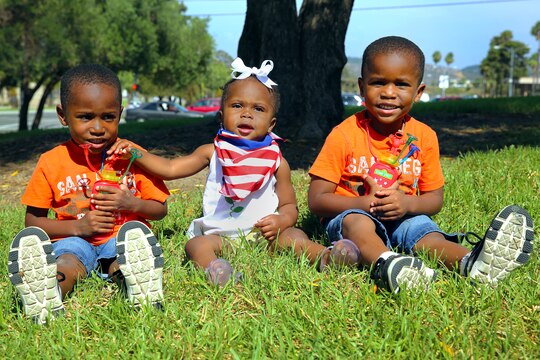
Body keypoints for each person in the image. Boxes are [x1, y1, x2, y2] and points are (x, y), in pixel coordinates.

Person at [307, 36, 534, 293]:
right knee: (358, 223)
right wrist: (362, 204)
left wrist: (407, 204)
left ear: (419, 92)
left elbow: (434, 199)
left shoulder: (424, 136)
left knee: (425, 231)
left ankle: (471, 263)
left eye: (401, 84)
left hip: (404, 216)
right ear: (361, 87)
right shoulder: (345, 134)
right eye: (378, 82)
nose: (389, 93)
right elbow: (316, 200)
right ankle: (387, 263)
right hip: (352, 218)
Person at [109, 58, 359, 286]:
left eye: (258, 109)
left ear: (272, 122)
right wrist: (136, 151)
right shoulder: (213, 152)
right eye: (237, 105)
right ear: (221, 116)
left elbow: (290, 207)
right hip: (222, 240)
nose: (247, 113)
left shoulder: (276, 162)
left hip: (264, 239)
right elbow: (171, 168)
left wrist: (281, 221)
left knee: (294, 236)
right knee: (196, 244)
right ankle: (216, 268)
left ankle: (326, 256)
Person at [7, 64, 170, 324]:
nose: (98, 127)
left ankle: (137, 286)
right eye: (85, 117)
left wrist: (132, 202)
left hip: (121, 239)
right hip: (73, 239)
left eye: (108, 117)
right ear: (63, 115)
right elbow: (33, 223)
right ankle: (49, 293)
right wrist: (80, 226)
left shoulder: (131, 155)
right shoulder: (51, 162)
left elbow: (160, 210)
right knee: (68, 263)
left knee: (121, 261)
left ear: (120, 113)